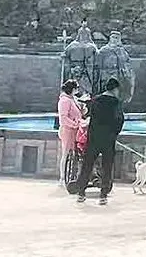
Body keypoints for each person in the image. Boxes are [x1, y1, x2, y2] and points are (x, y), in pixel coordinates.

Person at [72, 77, 125, 205]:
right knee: (107, 166)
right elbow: (119, 120)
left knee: (87, 164)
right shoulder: (115, 102)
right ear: (115, 89)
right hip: (108, 139)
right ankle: (103, 195)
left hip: (94, 137)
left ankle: (81, 193)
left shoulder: (95, 100)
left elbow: (88, 117)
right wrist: (114, 134)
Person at [57, 79, 85, 184]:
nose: (78, 90)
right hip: (68, 130)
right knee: (66, 153)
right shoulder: (64, 100)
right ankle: (62, 178)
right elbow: (63, 117)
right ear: (72, 89)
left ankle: (71, 176)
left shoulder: (72, 99)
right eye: (76, 88)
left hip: (75, 130)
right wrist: (74, 124)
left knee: (74, 153)